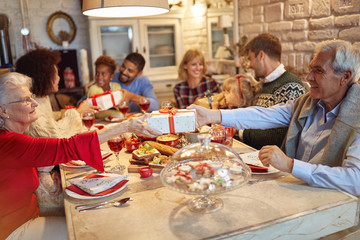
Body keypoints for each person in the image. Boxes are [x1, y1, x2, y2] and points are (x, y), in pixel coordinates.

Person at [0, 72, 161, 240]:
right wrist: (126, 126)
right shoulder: (10, 143)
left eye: (31, 97)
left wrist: (42, 172)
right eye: (26, 100)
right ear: (3, 111)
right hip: (14, 231)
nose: (34, 103)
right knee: (91, 232)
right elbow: (67, 147)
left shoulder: (13, 138)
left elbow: (26, 161)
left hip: (26, 219)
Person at [189, 39, 360, 196]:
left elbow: (355, 179)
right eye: (311, 69)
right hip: (294, 190)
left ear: (345, 77)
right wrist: (213, 115)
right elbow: (264, 115)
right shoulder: (308, 103)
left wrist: (290, 165)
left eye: (318, 71)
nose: (308, 78)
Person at [15, 48, 101, 215]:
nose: (59, 77)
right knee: (93, 195)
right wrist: (76, 113)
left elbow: (49, 121)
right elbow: (56, 138)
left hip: (48, 168)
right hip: (41, 192)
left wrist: (66, 113)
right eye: (56, 73)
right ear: (44, 76)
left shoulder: (41, 97)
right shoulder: (30, 107)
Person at [238, 33, 306, 149]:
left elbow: (283, 135)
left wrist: (241, 133)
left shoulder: (291, 85)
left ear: (261, 56)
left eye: (251, 59)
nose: (249, 65)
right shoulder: (264, 84)